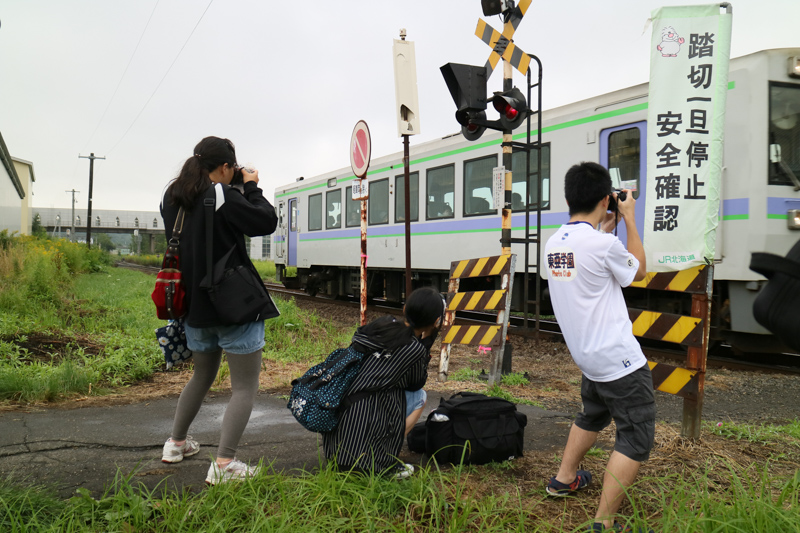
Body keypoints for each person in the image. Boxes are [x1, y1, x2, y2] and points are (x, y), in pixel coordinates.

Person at [159, 136, 279, 485]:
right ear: (225, 167)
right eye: (232, 169)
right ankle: (225, 464)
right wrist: (252, 187)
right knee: (244, 387)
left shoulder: (172, 197)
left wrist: (237, 187)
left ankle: (176, 443)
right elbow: (265, 222)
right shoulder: (222, 194)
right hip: (233, 305)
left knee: (201, 376)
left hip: (193, 307)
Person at [543, 162, 654, 532]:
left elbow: (585, 267)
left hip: (589, 359)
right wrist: (630, 218)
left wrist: (605, 227)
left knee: (593, 414)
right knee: (635, 436)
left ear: (568, 197)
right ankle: (604, 523)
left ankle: (564, 478)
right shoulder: (603, 244)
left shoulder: (554, 242)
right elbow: (638, 270)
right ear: (607, 198)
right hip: (620, 361)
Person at [322, 286, 445, 478]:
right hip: (367, 464)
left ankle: (360, 448)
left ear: (404, 309)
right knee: (419, 397)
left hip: (335, 449)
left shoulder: (381, 325)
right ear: (437, 321)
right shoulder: (414, 350)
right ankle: (385, 458)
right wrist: (426, 344)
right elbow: (415, 383)